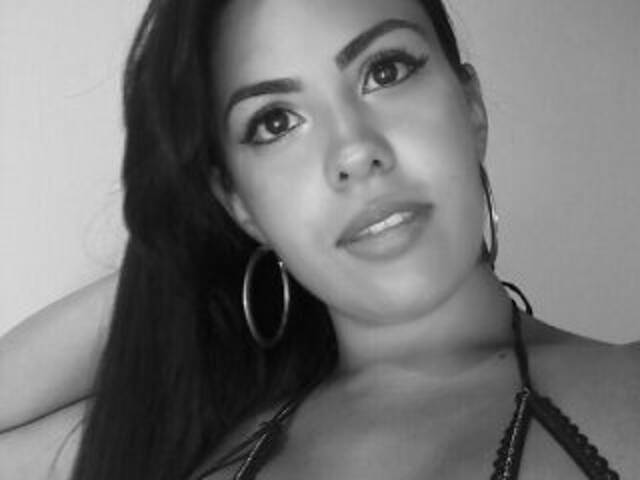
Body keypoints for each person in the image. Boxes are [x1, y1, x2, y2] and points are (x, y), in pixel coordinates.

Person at [1, 0, 638, 478]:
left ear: (470, 108)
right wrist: (187, 259)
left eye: (385, 70)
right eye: (276, 122)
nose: (355, 151)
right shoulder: (210, 436)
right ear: (239, 203)